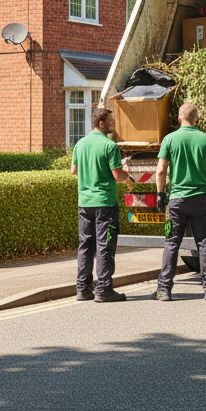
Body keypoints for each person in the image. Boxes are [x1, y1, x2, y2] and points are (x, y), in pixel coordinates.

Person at [153, 103, 206, 301]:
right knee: (204, 243)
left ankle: (164, 290)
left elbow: (160, 171)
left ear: (179, 119)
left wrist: (161, 195)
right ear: (197, 119)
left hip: (177, 201)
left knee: (172, 243)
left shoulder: (170, 139)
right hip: (200, 199)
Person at [71, 107, 130, 303]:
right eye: (111, 120)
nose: (113, 123)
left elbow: (74, 171)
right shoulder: (110, 146)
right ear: (101, 123)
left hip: (85, 203)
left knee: (85, 245)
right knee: (105, 245)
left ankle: (83, 289)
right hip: (104, 203)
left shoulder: (80, 144)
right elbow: (118, 175)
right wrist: (129, 180)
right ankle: (104, 289)